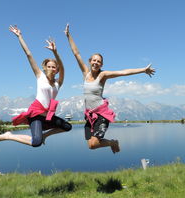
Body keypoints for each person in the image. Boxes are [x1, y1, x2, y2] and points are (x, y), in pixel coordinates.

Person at [64, 24, 155, 153]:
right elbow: (76, 53)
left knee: (95, 144)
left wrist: (143, 70)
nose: (96, 62)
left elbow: (123, 72)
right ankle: (112, 142)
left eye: (99, 61)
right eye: (94, 60)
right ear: (90, 61)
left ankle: (113, 142)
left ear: (101, 64)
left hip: (101, 114)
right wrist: (68, 36)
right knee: (91, 145)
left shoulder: (103, 75)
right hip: (89, 115)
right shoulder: (86, 73)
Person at [0, 25, 72, 147]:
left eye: (53, 67)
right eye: (48, 66)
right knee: (36, 142)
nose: (51, 68)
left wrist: (55, 52)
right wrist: (20, 36)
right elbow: (29, 54)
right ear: (45, 68)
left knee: (67, 126)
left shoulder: (58, 83)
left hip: (48, 116)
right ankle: (9, 136)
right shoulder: (40, 76)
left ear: (57, 70)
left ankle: (45, 135)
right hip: (36, 115)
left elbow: (63, 66)